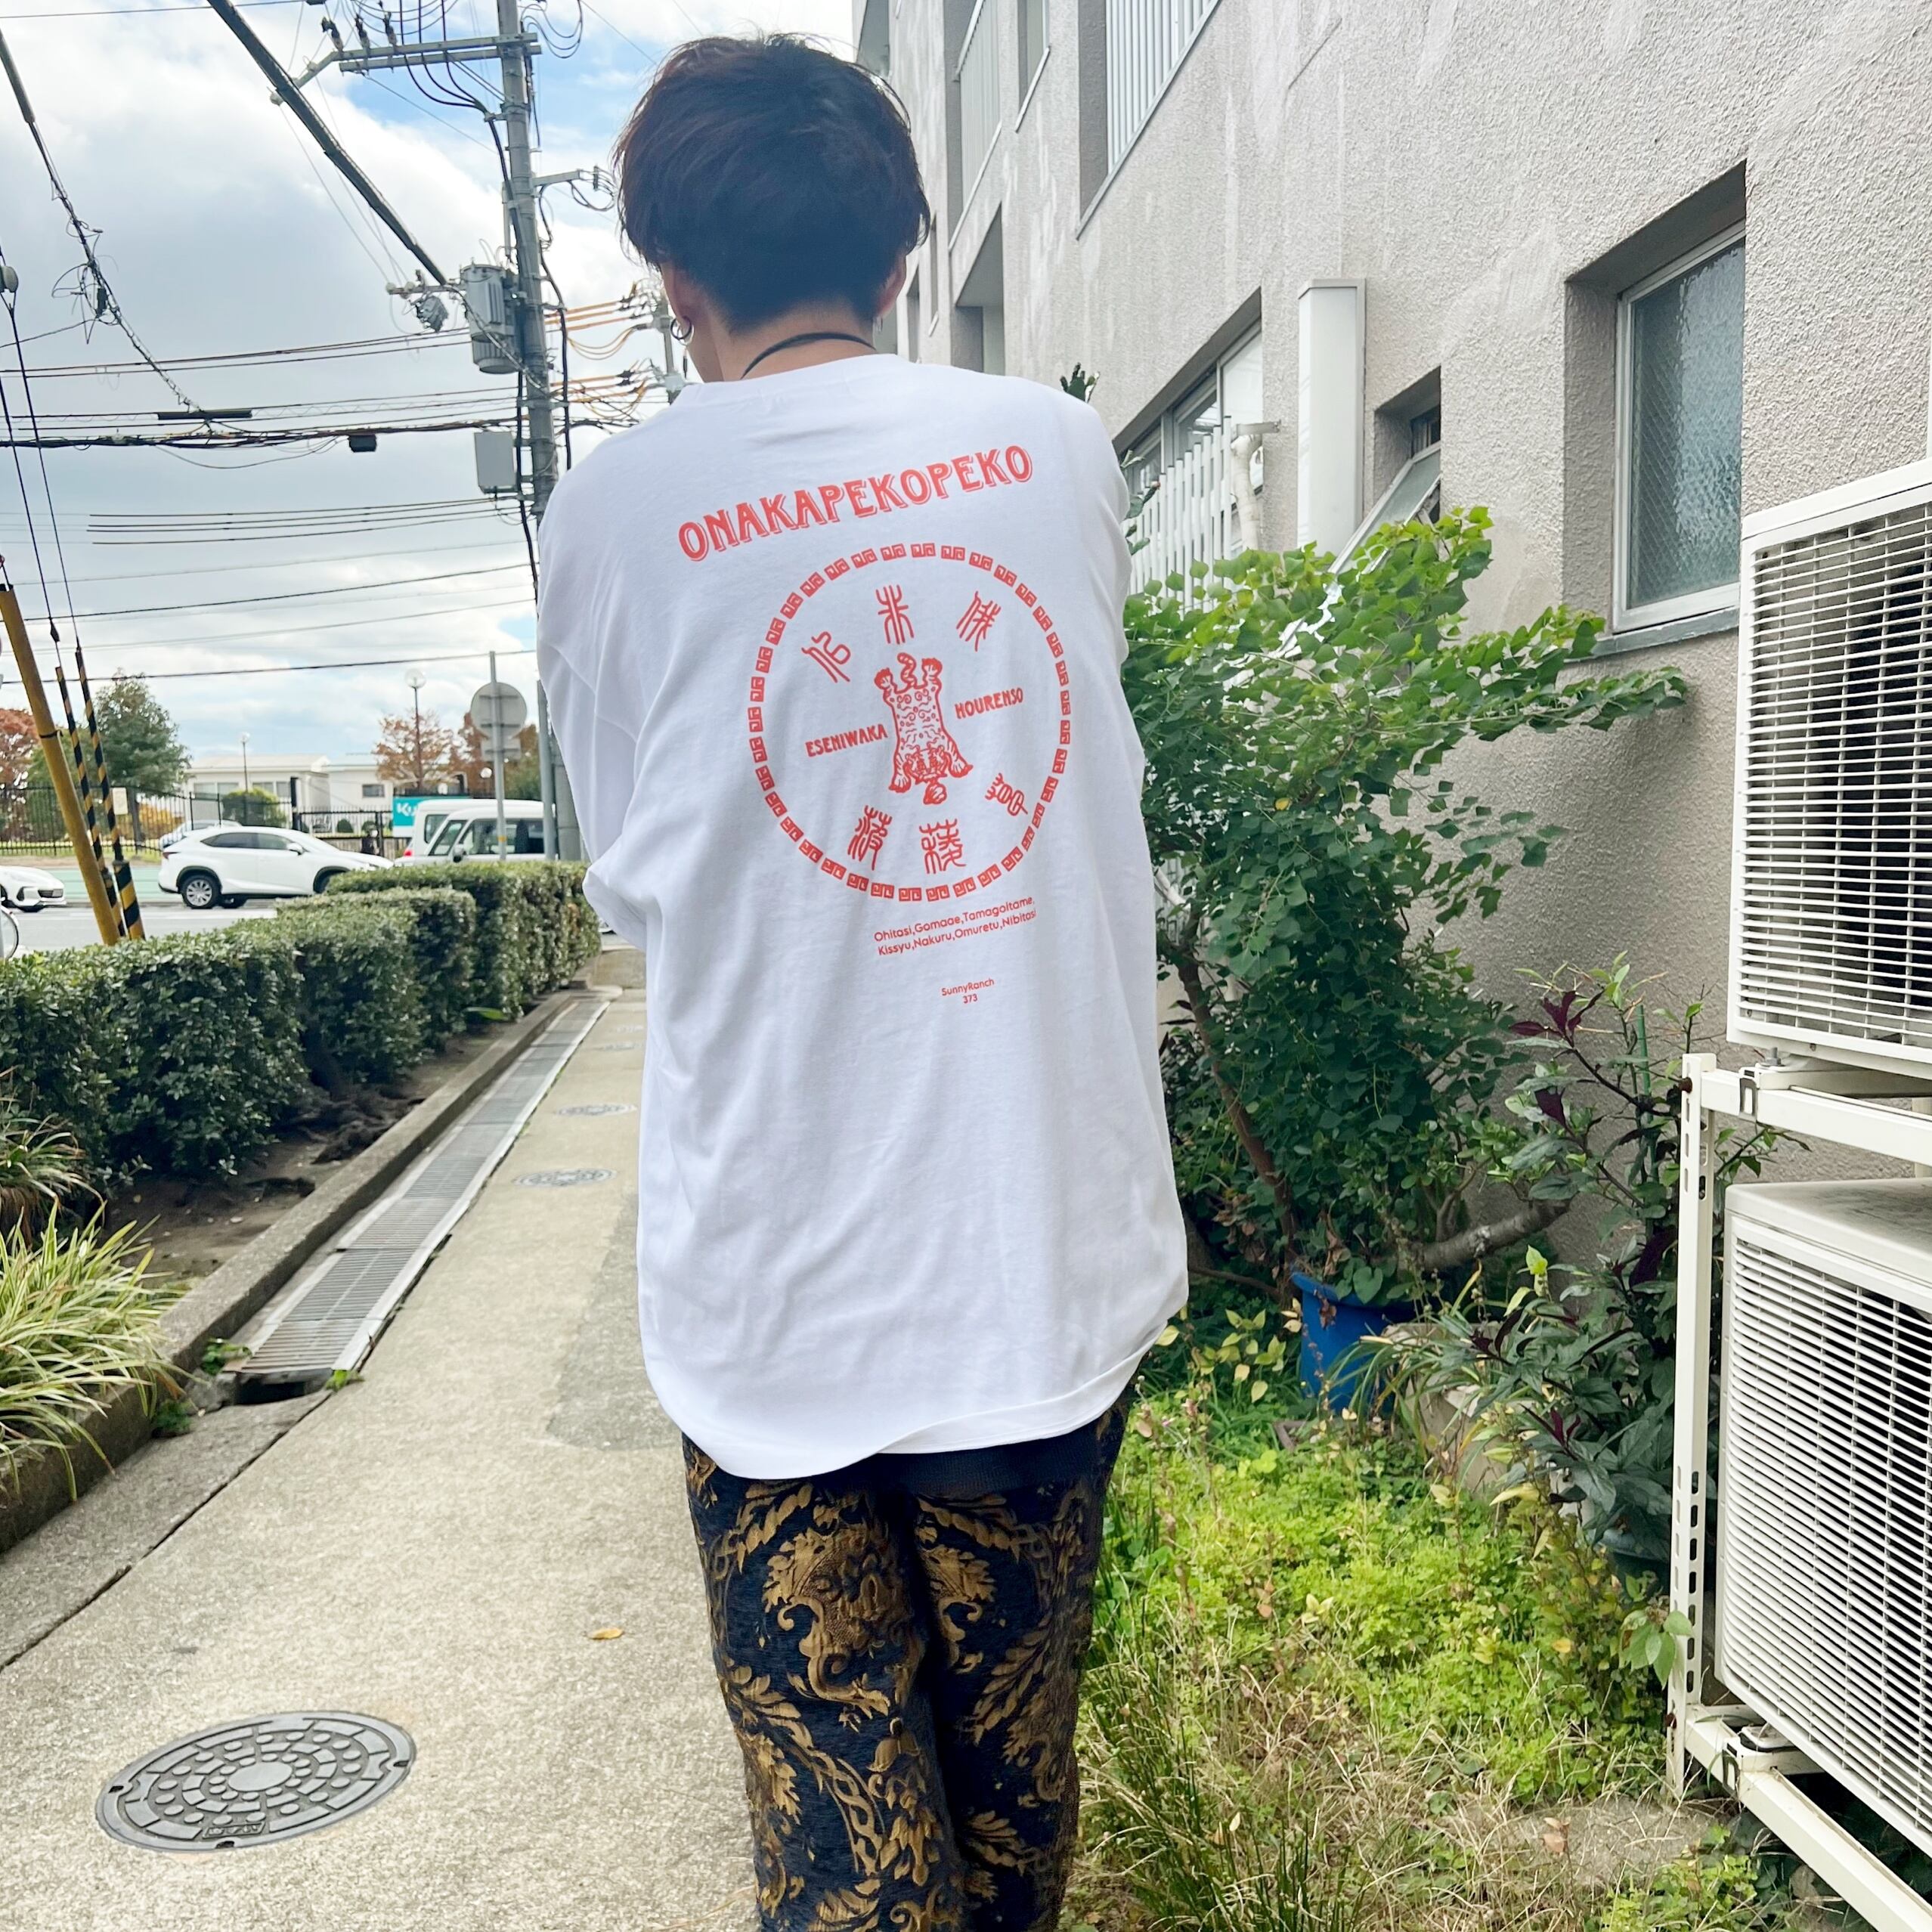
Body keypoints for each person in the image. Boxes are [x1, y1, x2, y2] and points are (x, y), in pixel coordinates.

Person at [537, 34, 1185, 1932]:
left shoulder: (610, 514)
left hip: (774, 1290)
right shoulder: (1056, 451)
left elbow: (641, 882)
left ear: (673, 283)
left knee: (841, 1845)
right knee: (1014, 1801)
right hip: (1034, 1251)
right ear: (903, 259)